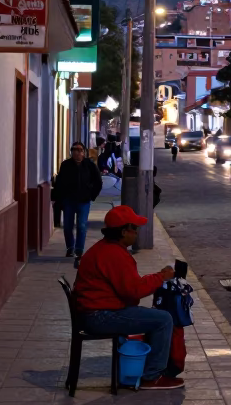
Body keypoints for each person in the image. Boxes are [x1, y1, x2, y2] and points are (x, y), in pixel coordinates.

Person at [74, 205, 183, 390]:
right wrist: (160, 278)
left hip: (96, 311)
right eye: (135, 229)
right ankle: (152, 377)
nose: (137, 233)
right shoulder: (114, 254)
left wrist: (157, 276)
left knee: (152, 316)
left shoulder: (108, 249)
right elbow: (133, 291)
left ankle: (147, 368)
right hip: (99, 316)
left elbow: (131, 285)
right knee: (163, 319)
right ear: (124, 231)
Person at [52, 142, 103, 259]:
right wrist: (58, 198)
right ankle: (70, 248)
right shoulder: (65, 165)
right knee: (68, 226)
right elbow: (59, 183)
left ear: (84, 152)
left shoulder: (89, 165)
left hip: (84, 201)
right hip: (68, 201)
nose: (77, 152)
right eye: (74, 150)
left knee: (82, 225)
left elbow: (98, 182)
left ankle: (79, 250)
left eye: (80, 150)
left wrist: (92, 195)